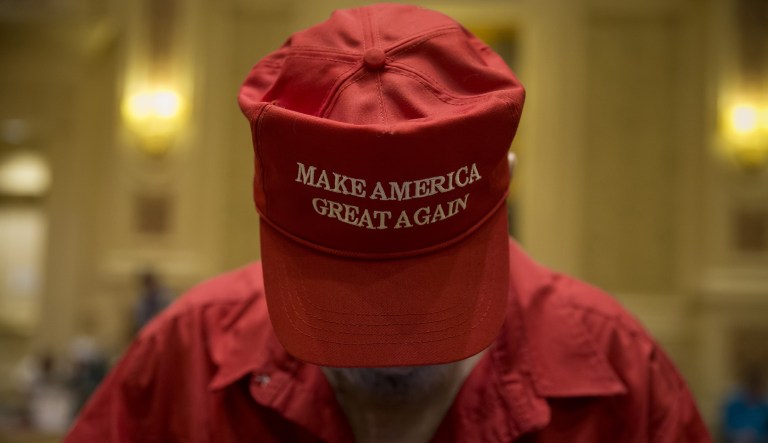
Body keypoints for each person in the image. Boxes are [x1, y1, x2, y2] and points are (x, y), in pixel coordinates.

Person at [64, 4, 712, 442]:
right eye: (344, 283)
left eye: (427, 281)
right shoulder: (180, 362)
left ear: (507, 181)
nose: (390, 342)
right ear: (263, 201)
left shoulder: (623, 381)